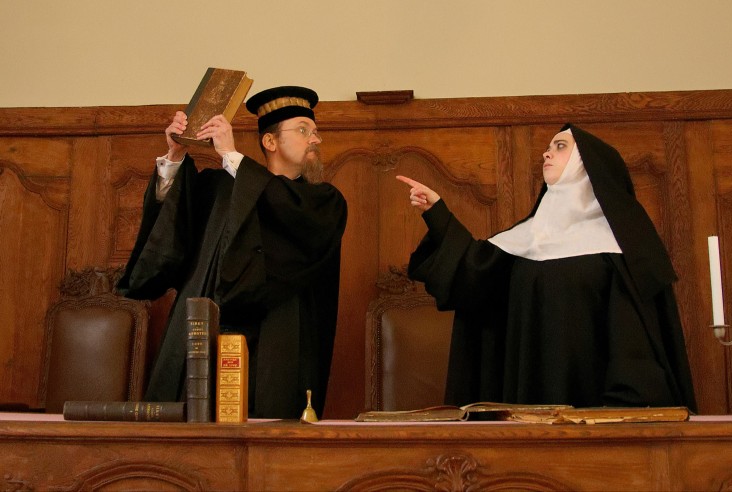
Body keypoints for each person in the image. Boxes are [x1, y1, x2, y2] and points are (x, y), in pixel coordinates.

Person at [396, 124, 697, 411]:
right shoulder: (527, 238)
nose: (546, 153)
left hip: (594, 413)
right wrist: (437, 213)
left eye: (560, 146)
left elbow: (633, 346)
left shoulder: (619, 250)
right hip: (524, 405)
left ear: (585, 163)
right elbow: (474, 275)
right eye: (549, 146)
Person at [118, 86, 347, 419]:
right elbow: (170, 229)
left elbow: (282, 204)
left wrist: (231, 154)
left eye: (315, 131)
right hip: (208, 333)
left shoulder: (323, 202)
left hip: (278, 339)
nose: (315, 139)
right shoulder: (219, 187)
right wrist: (175, 155)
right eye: (303, 130)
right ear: (270, 141)